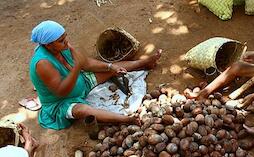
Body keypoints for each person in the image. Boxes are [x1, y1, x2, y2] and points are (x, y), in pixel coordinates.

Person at [29, 20, 162, 130]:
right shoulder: (43, 63)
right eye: (61, 40)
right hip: (61, 103)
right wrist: (77, 67)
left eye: (65, 37)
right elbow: (61, 91)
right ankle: (127, 119)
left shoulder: (62, 46)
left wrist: (110, 66)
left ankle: (145, 63)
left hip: (81, 82)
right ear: (48, 45)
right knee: (83, 111)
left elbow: (86, 63)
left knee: (111, 68)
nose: (66, 42)